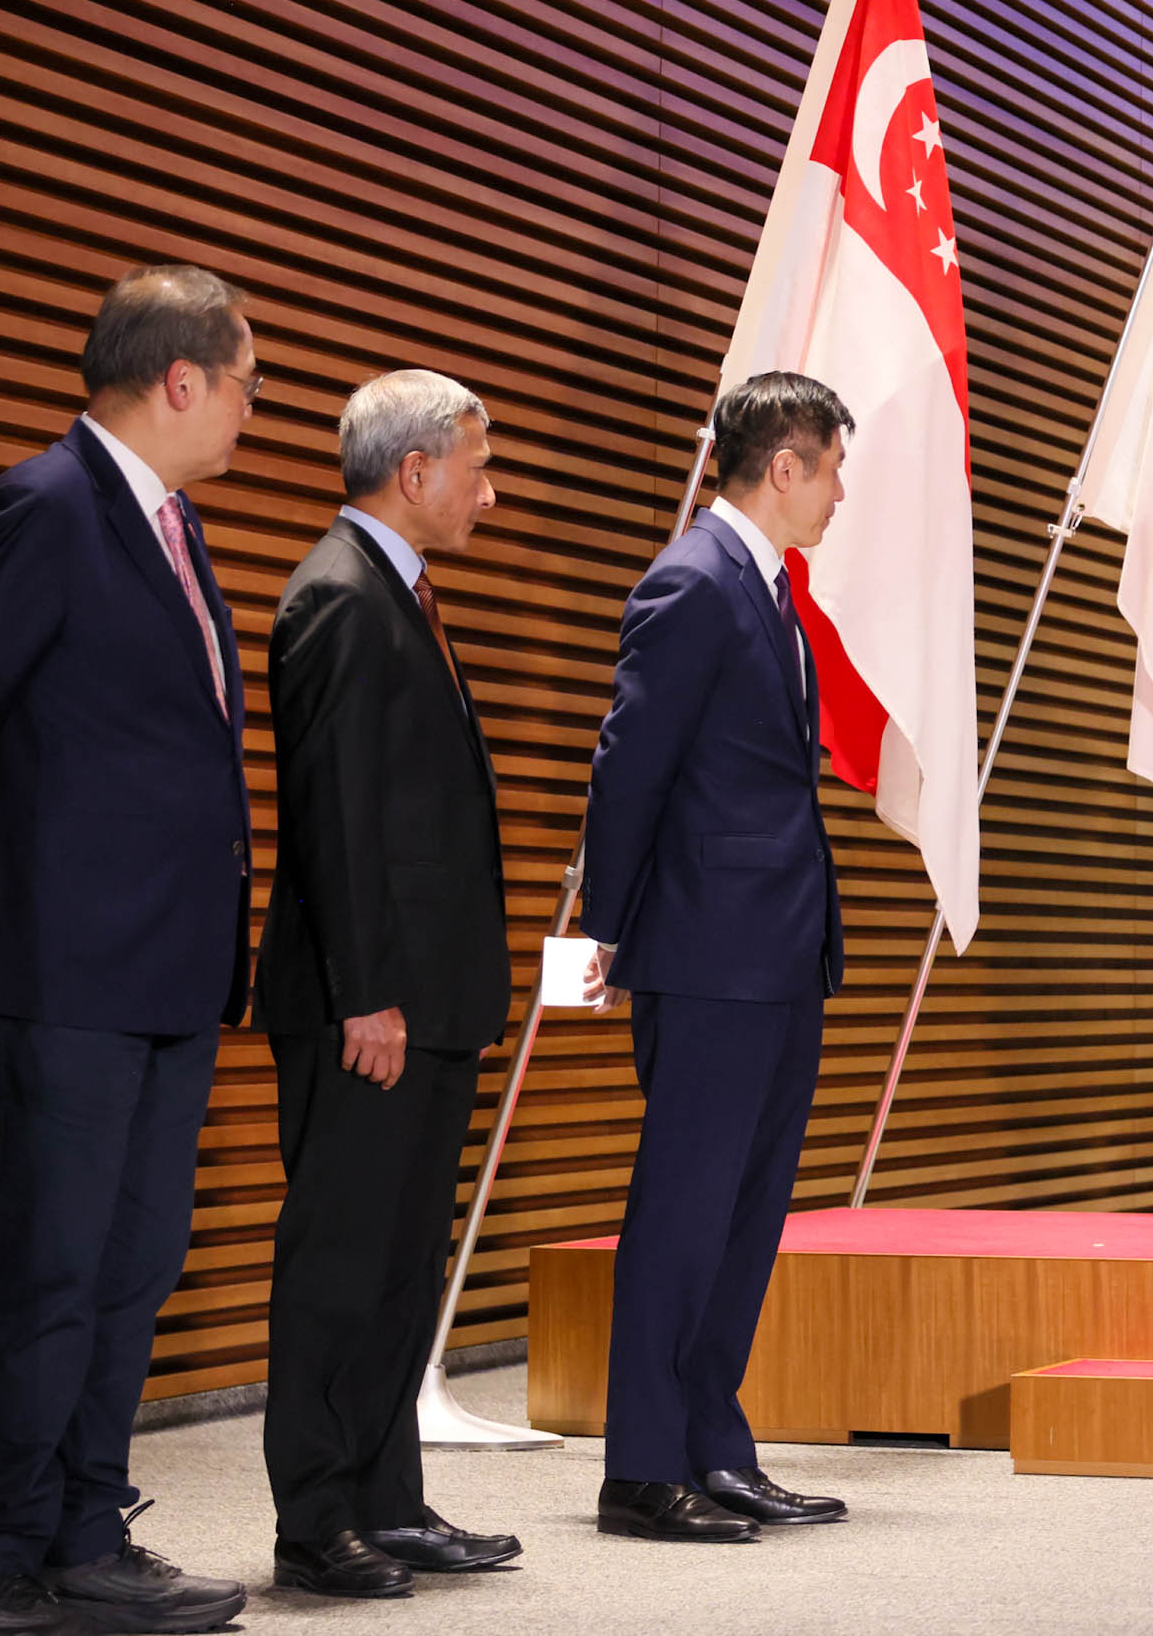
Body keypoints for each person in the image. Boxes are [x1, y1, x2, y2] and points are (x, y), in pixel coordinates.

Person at [0, 265, 256, 1635]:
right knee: (50, 1274)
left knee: (131, 1271)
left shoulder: (171, 526)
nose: (251, 410)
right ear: (180, 379)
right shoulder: (43, 508)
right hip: (63, 974)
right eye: (246, 382)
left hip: (169, 978)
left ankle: (82, 1530)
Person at [255, 372, 521, 1592]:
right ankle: (316, 1520)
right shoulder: (340, 598)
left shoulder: (397, 595)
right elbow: (335, 820)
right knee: (340, 1262)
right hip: (368, 1008)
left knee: (403, 1263)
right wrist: (366, 991)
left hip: (426, 1003)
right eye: (475, 462)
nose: (488, 487)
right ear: (412, 471)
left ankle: (386, 1496)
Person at [578, 372, 851, 1543]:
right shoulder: (692, 579)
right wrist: (605, 925)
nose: (840, 491)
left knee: (746, 1214)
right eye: (831, 466)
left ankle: (711, 1443)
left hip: (777, 948)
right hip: (705, 948)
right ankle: (642, 1465)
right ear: (781, 466)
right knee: (684, 1210)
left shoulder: (768, 584)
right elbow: (629, 762)